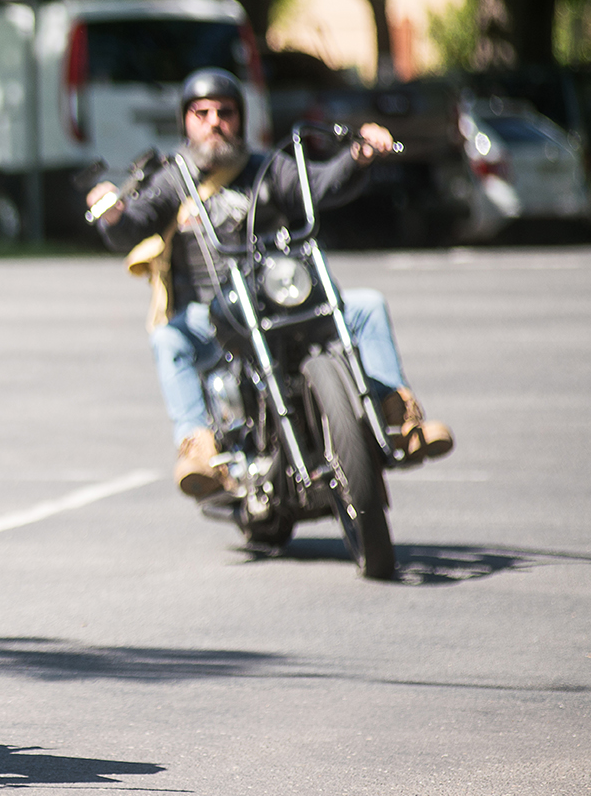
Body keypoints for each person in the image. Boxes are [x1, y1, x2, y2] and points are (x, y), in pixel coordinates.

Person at [87, 67, 453, 498]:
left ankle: (399, 415)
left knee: (366, 305)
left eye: (225, 112)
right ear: (185, 120)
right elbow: (133, 225)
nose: (214, 122)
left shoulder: (265, 168)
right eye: (201, 113)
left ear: (240, 118)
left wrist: (358, 156)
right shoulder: (172, 180)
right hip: (214, 314)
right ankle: (198, 446)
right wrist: (111, 212)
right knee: (168, 340)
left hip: (280, 295)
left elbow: (318, 185)